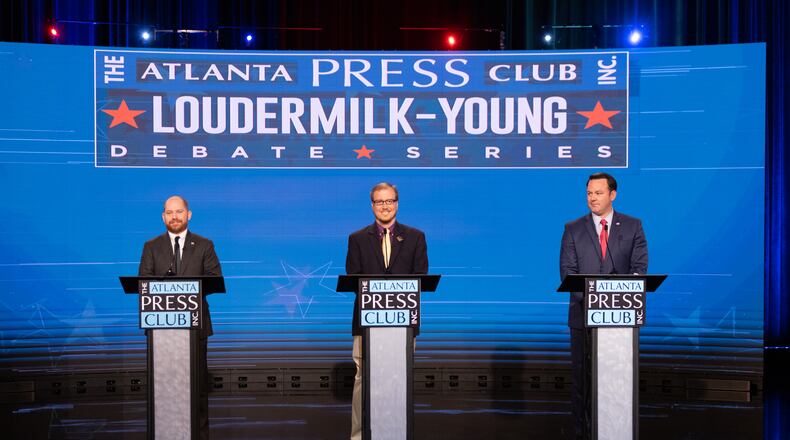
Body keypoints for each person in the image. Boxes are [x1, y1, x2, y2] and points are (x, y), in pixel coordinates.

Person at [559, 172, 648, 440]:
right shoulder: (573, 228)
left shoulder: (633, 226)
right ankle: (582, 434)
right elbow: (568, 274)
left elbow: (639, 269)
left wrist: (612, 303)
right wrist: (596, 304)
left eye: (598, 193)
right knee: (582, 384)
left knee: (618, 383)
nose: (592, 198)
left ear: (612, 194)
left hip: (621, 323)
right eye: (589, 193)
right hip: (582, 319)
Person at [345, 182, 428, 440]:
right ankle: (360, 436)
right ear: (372, 206)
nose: (385, 206)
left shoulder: (416, 237)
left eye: (389, 201)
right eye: (380, 202)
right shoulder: (357, 238)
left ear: (397, 204)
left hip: (403, 324)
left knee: (398, 379)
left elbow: (421, 277)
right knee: (363, 381)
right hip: (366, 323)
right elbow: (352, 276)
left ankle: (397, 433)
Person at [138, 195, 222, 440]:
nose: (174, 217)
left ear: (189, 214)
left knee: (196, 392)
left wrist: (186, 291)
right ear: (163, 216)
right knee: (164, 392)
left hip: (194, 330)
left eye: (179, 212)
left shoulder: (204, 245)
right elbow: (144, 283)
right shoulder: (151, 246)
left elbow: (214, 279)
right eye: (169, 212)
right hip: (161, 334)